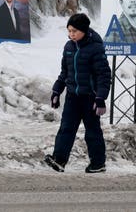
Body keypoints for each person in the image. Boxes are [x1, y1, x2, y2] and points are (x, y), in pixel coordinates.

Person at [44, 13, 111, 174]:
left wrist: (100, 98)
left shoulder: (96, 48)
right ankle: (59, 160)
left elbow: (104, 75)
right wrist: (56, 91)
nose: (71, 34)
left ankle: (98, 163)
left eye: (74, 31)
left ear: (84, 30)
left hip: (90, 97)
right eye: (69, 31)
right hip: (73, 96)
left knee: (92, 131)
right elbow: (64, 73)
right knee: (66, 128)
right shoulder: (69, 47)